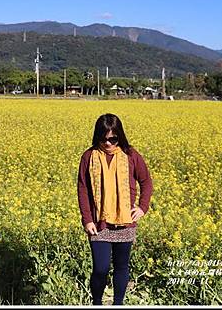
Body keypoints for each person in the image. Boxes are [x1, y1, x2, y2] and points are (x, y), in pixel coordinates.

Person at [77, 113, 153, 305]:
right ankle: (97, 303)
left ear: (120, 136)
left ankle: (118, 303)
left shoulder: (131, 155)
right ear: (97, 136)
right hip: (99, 223)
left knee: (121, 266)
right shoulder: (89, 156)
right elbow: (83, 189)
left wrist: (143, 207)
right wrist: (87, 219)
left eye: (113, 139)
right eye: (104, 139)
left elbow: (146, 182)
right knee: (100, 269)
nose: (108, 143)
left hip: (125, 223)